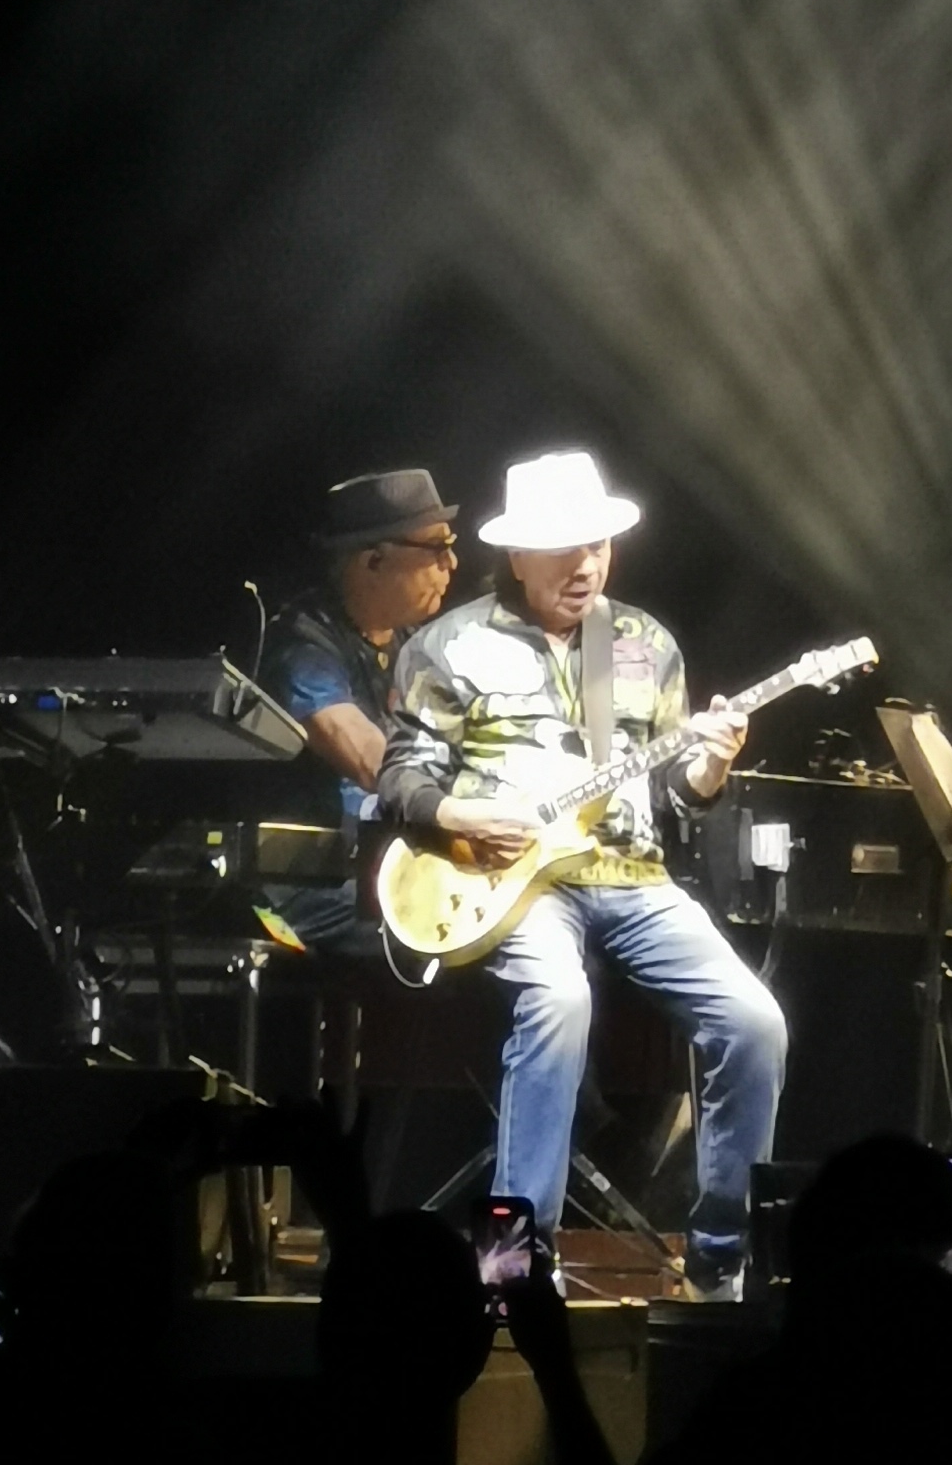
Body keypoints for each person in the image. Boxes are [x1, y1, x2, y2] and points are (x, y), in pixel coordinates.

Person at [377, 448, 788, 1302]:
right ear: (518, 556)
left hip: (634, 879)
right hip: (516, 886)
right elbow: (402, 778)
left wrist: (711, 766)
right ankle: (513, 1267)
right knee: (559, 1002)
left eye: (597, 545)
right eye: (564, 549)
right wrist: (463, 817)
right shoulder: (447, 645)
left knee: (756, 1022)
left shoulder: (645, 644)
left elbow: (675, 797)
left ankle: (721, 1261)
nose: (586, 565)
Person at [256, 467, 460, 956]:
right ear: (374, 561)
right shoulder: (302, 645)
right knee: (444, 941)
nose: (452, 563)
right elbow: (374, 763)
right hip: (307, 887)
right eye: (436, 548)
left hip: (384, 866)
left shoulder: (416, 644)